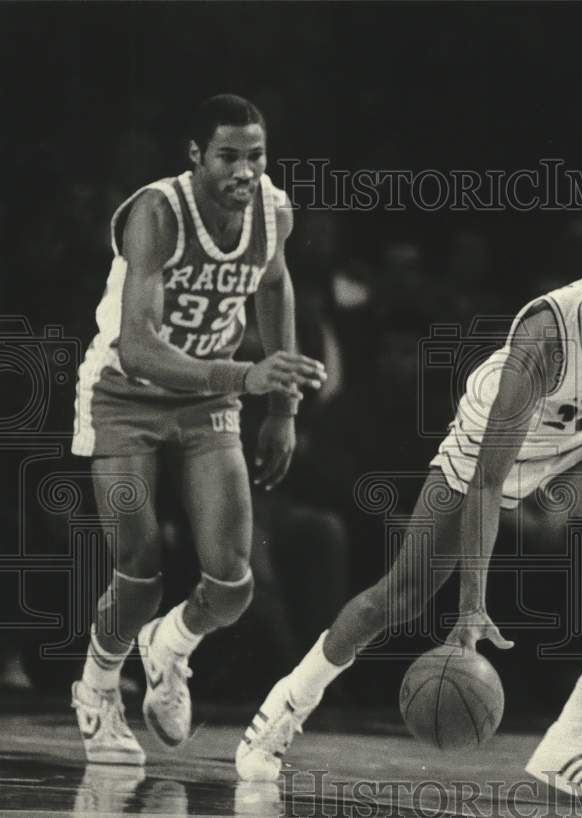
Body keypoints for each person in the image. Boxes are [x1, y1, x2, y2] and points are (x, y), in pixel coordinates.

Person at [235, 230, 582, 808]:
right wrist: (472, 603)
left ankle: (571, 742)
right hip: (492, 443)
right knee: (400, 595)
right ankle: (284, 708)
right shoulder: (540, 345)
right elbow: (487, 483)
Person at [70, 94, 326, 765]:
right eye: (229, 156)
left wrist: (284, 409)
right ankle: (97, 689)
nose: (246, 171)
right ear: (194, 156)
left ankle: (171, 645)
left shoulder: (273, 210)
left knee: (235, 584)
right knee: (139, 572)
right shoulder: (158, 214)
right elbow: (138, 346)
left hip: (207, 401)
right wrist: (247, 379)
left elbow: (273, 286)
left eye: (256, 155)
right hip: (124, 396)